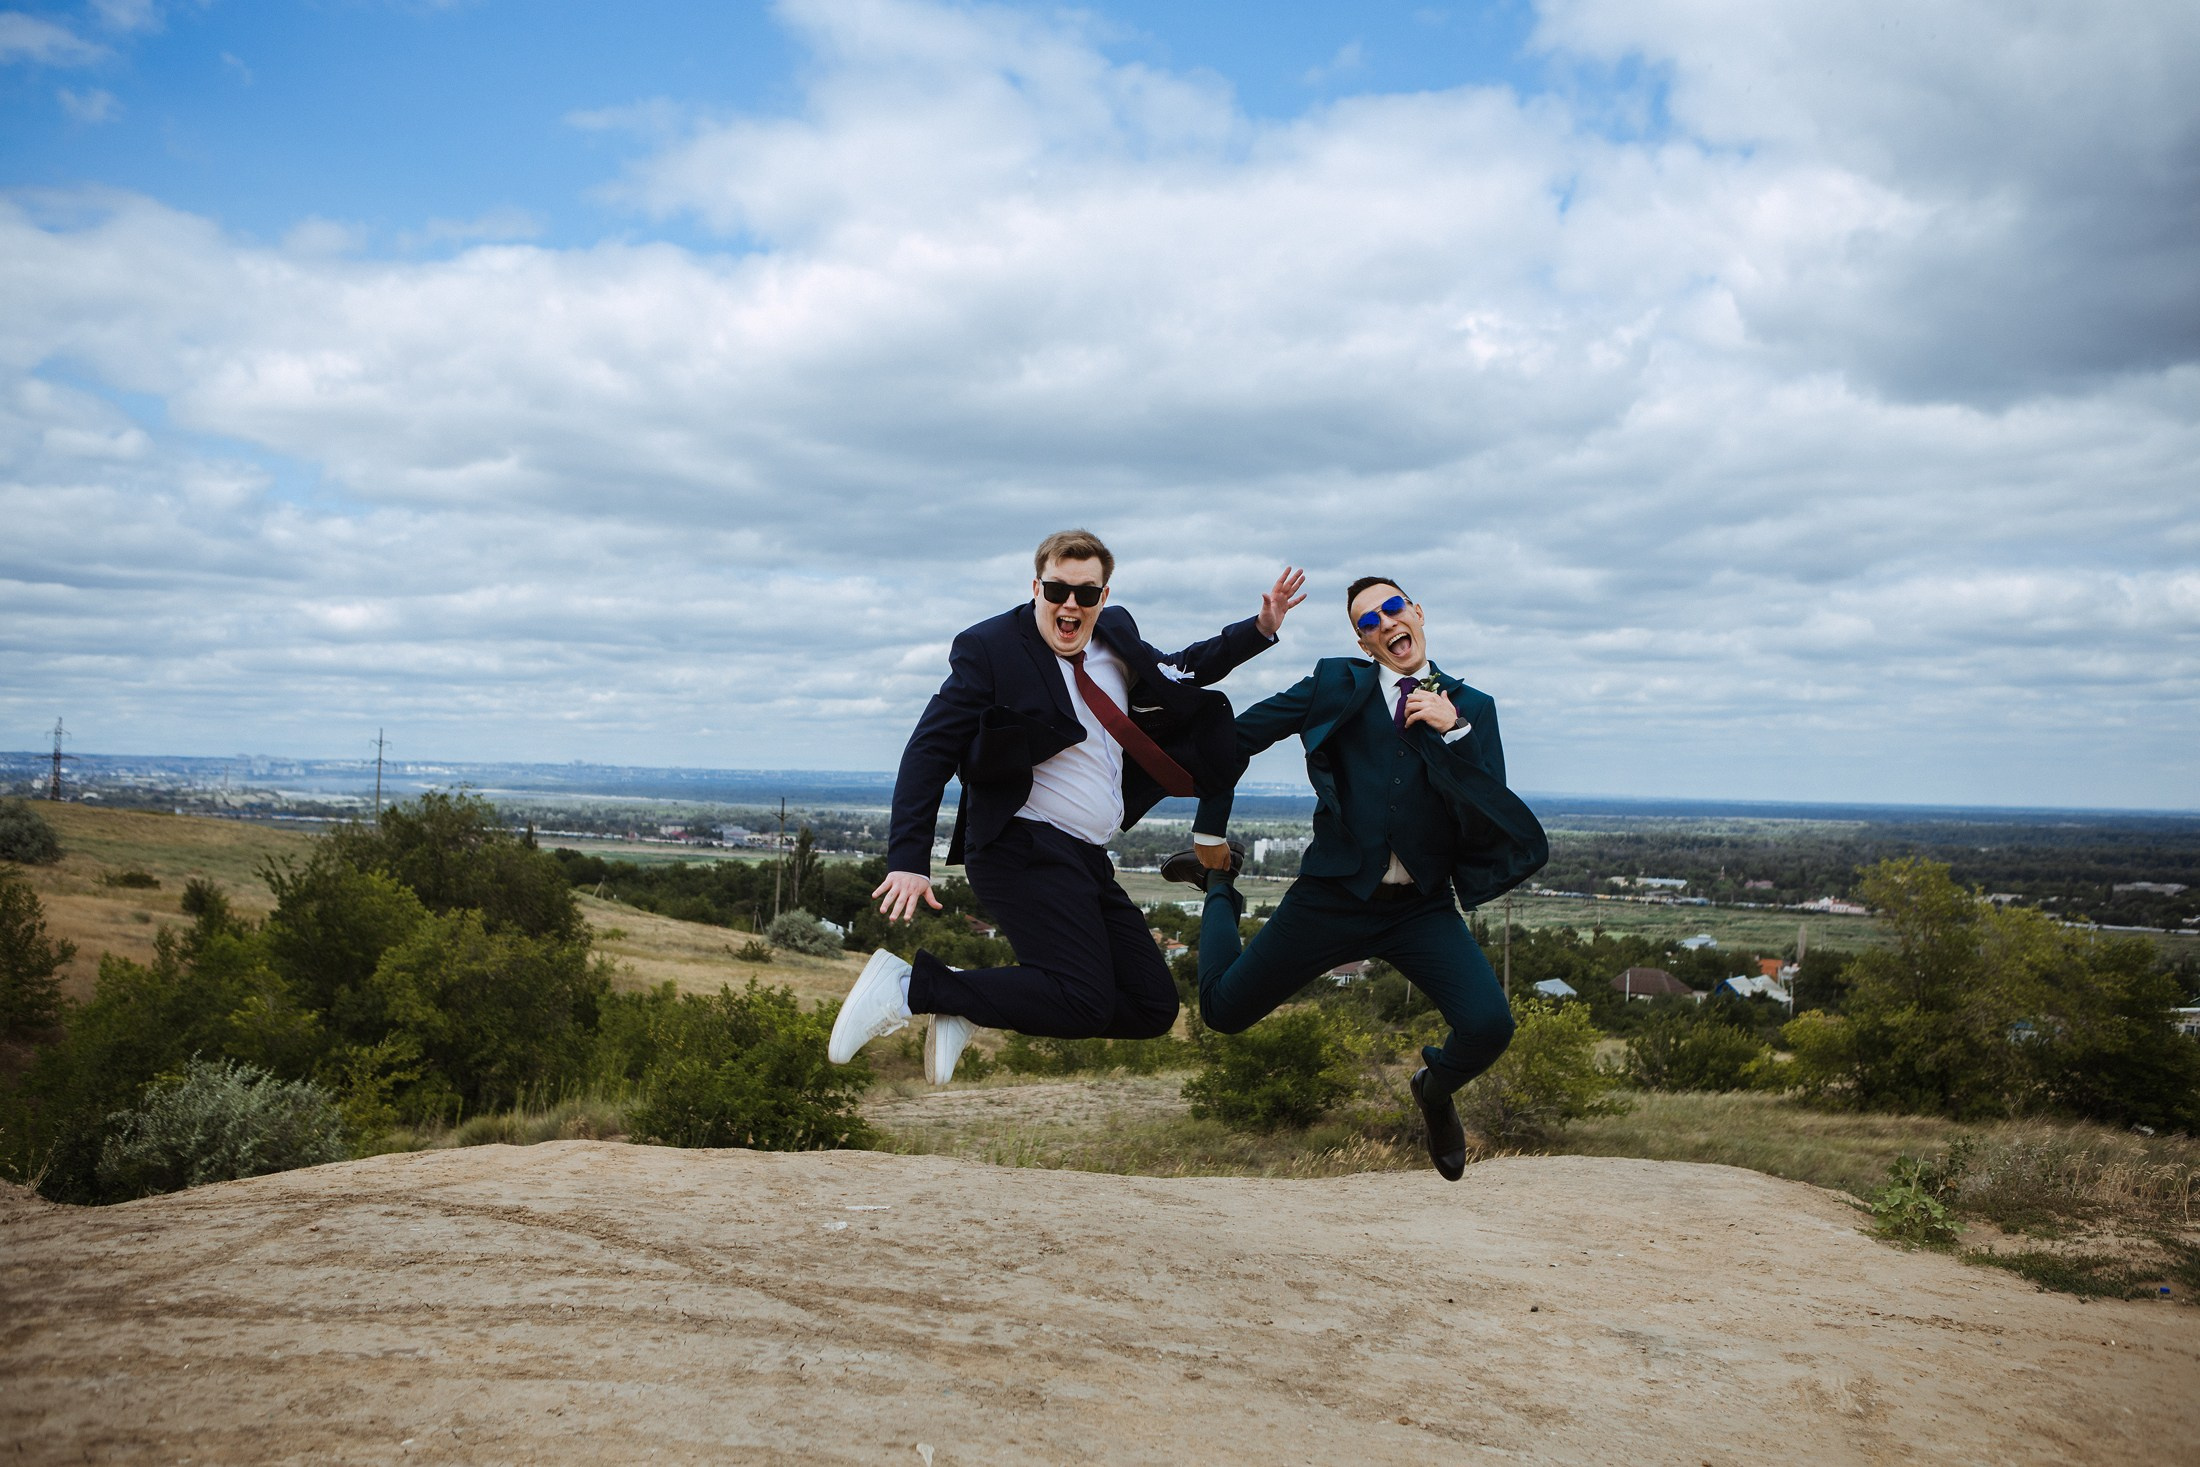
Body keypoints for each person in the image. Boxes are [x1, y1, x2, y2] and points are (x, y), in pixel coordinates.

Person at [829, 529, 1306, 1085]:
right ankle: (909, 989)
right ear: (1037, 588)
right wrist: (908, 859)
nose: (1070, 604)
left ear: (1103, 596)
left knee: (1153, 1005)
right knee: (1081, 998)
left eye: (1086, 593)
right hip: (1019, 845)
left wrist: (1259, 630)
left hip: (1085, 857)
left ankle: (965, 996)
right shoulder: (991, 649)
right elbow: (929, 750)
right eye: (1058, 590)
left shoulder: (1115, 636)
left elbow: (1182, 669)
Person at [1163, 576, 1547, 1179]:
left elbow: (1490, 809)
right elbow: (1232, 742)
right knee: (1222, 1012)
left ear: (1417, 613)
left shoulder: (1473, 709)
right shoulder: (1334, 684)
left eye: (1394, 608)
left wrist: (1455, 731)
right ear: (1364, 643)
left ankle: (1434, 1089)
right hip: (1332, 896)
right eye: (1368, 622)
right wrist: (1208, 829)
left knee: (1489, 1025)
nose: (1385, 623)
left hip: (1420, 907)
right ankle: (1218, 888)